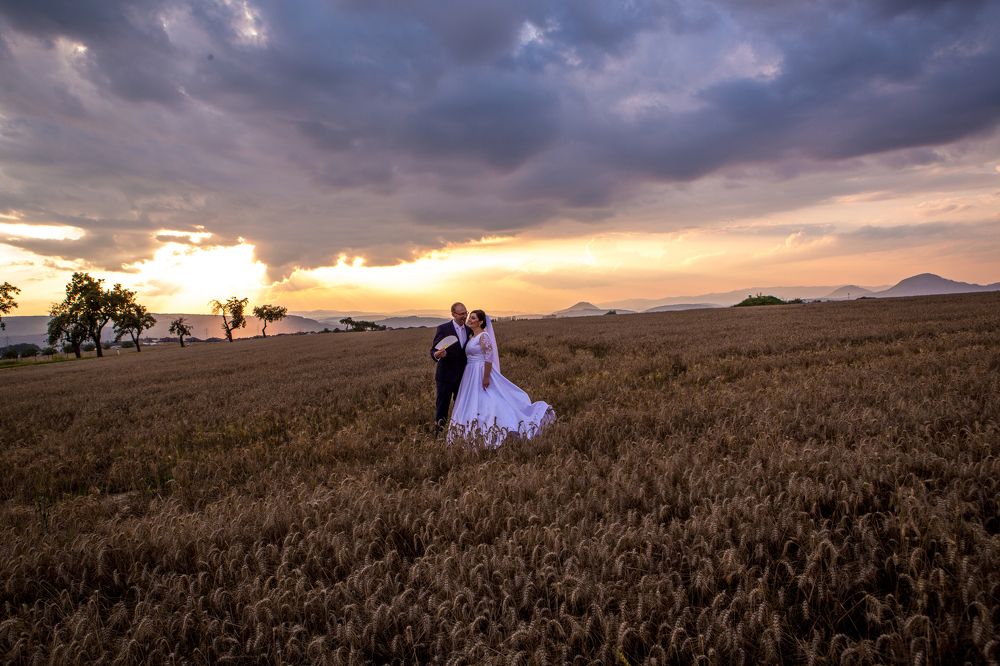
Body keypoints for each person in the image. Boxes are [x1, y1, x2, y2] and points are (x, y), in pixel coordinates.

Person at [448, 309, 554, 447]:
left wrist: (486, 377)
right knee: (471, 401)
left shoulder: (483, 336)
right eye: (470, 317)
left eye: (473, 318)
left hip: (481, 371)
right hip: (470, 373)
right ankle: (467, 430)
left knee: (488, 399)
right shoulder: (472, 337)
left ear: (481, 321)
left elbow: (489, 358)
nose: (470, 320)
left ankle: (500, 426)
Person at [430, 302, 472, 433]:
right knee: (442, 408)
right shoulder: (443, 329)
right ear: (453, 314)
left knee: (461, 407)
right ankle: (438, 434)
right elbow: (433, 350)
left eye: (466, 313)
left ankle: (458, 433)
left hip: (462, 377)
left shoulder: (469, 330)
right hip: (445, 377)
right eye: (461, 314)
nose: (464, 316)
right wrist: (437, 354)